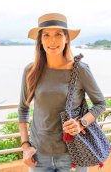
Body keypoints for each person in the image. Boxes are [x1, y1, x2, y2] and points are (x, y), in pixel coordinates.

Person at [18, 13, 106, 172]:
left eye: (58, 34)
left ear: (67, 39)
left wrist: (81, 124)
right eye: (46, 35)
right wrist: (25, 146)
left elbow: (100, 104)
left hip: (72, 154)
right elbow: (23, 109)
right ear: (40, 40)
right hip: (39, 155)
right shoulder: (30, 71)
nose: (52, 41)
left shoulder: (80, 70)